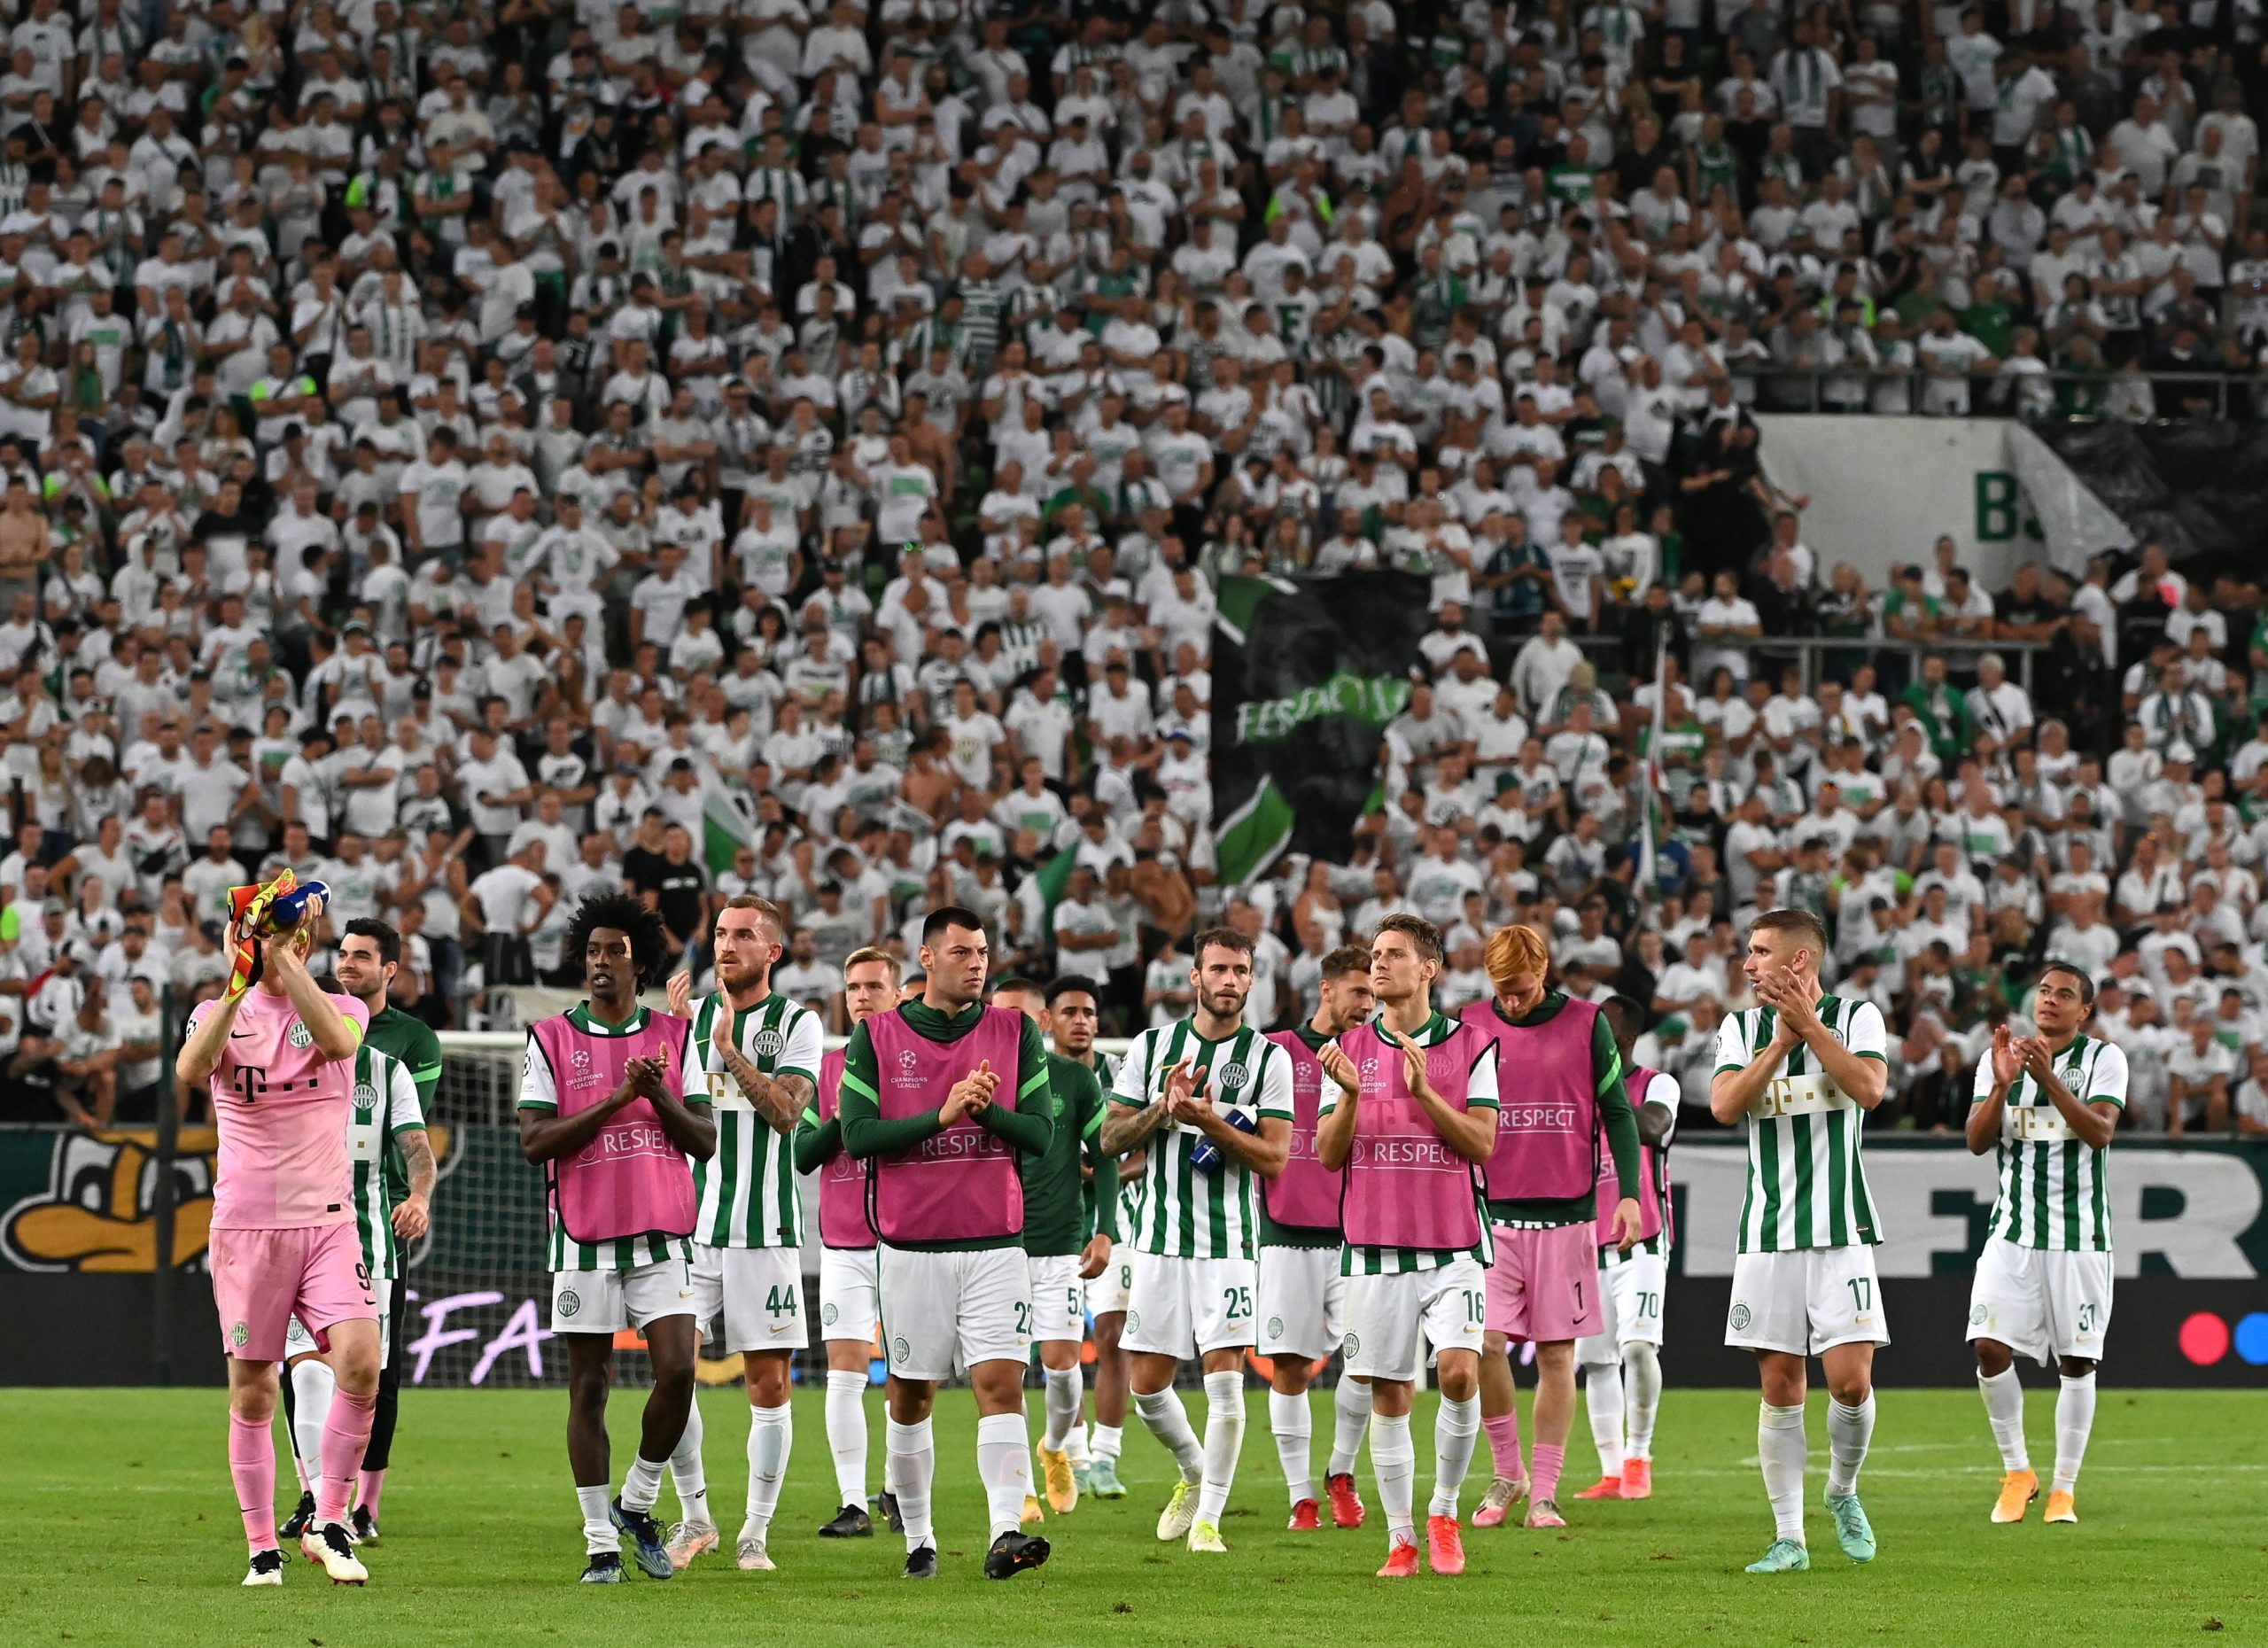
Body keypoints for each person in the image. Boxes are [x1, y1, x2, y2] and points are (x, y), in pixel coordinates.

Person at [837, 905, 1055, 1581]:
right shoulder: (876, 1036)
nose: (977, 964)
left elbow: (1043, 1135)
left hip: (996, 1241)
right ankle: (920, 1539)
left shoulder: (1015, 1030)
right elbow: (856, 1137)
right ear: (926, 959)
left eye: (983, 953)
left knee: (1001, 1384)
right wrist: (943, 1113)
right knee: (911, 1397)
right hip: (912, 1246)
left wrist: (989, 1111)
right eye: (962, 953)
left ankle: (1005, 1532)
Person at [175, 875, 377, 1586]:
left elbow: (337, 1044)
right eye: (278, 933)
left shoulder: (343, 1006)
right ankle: (263, 1546)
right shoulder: (217, 1009)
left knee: (361, 1363)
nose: (293, 942)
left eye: (296, 934)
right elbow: (191, 1067)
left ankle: (330, 1521)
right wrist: (240, 976)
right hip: (247, 1226)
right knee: (255, 1391)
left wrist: (284, 958)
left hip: (327, 1223)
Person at [516, 893, 715, 1583]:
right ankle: (600, 1539)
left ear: (641, 963)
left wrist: (656, 1095)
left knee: (679, 1370)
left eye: (616, 952)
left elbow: (706, 1140)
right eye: (593, 951)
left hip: (663, 1229)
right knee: (590, 1387)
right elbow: (535, 1142)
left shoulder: (676, 1036)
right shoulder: (550, 1038)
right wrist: (614, 1099)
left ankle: (637, 1499)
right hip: (583, 1233)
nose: (601, 962)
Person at [1315, 915, 1500, 1577]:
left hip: (1453, 1245)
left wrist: (1424, 1092)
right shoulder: (1348, 1047)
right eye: (1375, 955)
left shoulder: (1473, 1045)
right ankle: (1401, 1538)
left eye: (1393, 955)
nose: (1378, 966)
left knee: (1457, 1372)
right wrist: (1348, 1097)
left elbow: (1482, 1144)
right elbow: (1328, 1155)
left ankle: (1445, 1511)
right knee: (1387, 1390)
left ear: (1430, 969)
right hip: (1373, 1247)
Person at [1101, 925, 1295, 1554]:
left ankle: (1209, 1519)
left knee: (1226, 1380)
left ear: (1251, 977)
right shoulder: (1153, 1046)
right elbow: (1107, 1140)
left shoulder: (1270, 1059)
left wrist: (1211, 1120)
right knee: (1147, 1388)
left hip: (1231, 1244)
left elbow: (1274, 1159)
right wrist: (1164, 1108)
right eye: (1218, 970)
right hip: (1157, 1240)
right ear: (1195, 977)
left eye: (1241, 971)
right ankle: (1193, 1473)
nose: (1230, 982)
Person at [1709, 907, 1889, 1574]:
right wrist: (1781, 1045)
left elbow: (1870, 1089)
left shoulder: (1857, 1017)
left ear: (1798, 961)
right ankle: (1790, 1537)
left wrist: (1809, 1028)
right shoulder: (1742, 1028)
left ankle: (1842, 1491)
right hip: (1767, 1234)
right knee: (1781, 1385)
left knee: (1848, 1384)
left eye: (1759, 951)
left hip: (1841, 1230)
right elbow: (1726, 1105)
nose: (1748, 964)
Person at [1459, 923, 1643, 1531]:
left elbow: (1617, 1110)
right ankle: (1506, 1472)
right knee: (1486, 1344)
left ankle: (1545, 1491)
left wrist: (1632, 1196)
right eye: (1502, 991)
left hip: (1566, 1215)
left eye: (1521, 988)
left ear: (1545, 970)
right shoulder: (1471, 1022)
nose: (1511, 1001)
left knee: (1559, 1357)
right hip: (1491, 1215)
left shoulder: (1587, 1023)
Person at [663, 895, 825, 1573]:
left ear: (773, 952)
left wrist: (727, 1050)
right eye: (722, 934)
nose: (726, 946)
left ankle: (755, 1531)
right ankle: (696, 1516)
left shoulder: (799, 1023)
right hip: (687, 1229)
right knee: (671, 1376)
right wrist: (675, 1040)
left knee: (769, 1386)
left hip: (765, 1230)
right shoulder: (685, 1020)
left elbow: (788, 1112)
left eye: (744, 936)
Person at [284, 918, 441, 1545]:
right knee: (297, 1372)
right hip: (292, 1238)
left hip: (369, 1243)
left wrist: (422, 1195)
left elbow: (418, 1149)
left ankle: (349, 1503)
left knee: (365, 1373)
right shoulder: (287, 1063)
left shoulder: (392, 1067)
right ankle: (324, 1502)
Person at [1966, 962, 2124, 1526]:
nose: (2050, 1000)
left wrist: (2049, 1077)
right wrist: (2006, 1083)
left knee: (2077, 1362)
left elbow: (2100, 1131)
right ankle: (2017, 1472)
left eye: (2065, 995)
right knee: (1988, 1346)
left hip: (2080, 1238)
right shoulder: (1999, 1057)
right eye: (2044, 991)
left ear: (2084, 1011)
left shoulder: (2104, 1059)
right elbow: (1977, 1142)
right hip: (2012, 1233)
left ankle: (2064, 1488)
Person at [1260, 943, 1379, 1531]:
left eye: (1373, 994)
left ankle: (1340, 1471)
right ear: (1326, 989)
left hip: (1357, 1231)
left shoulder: (1375, 1054)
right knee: (1291, 1365)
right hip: (1286, 1231)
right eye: (1359, 991)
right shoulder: (1275, 1050)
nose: (1368, 1004)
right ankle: (1300, 1494)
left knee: (1366, 1363)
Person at [991, 976, 1117, 1520]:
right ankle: (1019, 1487)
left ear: (1039, 1021)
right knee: (1006, 1373)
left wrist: (1105, 1228)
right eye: (999, 1015)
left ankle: (1054, 1448)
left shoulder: (1073, 1078)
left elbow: (1105, 1153)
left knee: (1064, 1373)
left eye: (1020, 1014)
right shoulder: (979, 1079)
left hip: (1062, 1245)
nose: (1008, 1024)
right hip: (995, 1249)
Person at [795, 946, 904, 1536]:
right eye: (853, 987)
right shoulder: (829, 1070)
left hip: (909, 1242)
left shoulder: (913, 1063)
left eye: (872, 987)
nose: (861, 996)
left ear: (898, 994)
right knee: (845, 1372)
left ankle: (894, 1487)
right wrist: (841, 1119)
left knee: (910, 1374)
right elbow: (804, 1156)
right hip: (843, 1246)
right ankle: (853, 1503)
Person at [1573, 995, 1680, 1502]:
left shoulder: (1656, 1084)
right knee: (1595, 1362)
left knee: (1637, 1348)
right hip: (1587, 1243)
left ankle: (1640, 1455)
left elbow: (1654, 1127)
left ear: (1628, 1041)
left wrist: (1603, 1097)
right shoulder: (1575, 1090)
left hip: (1643, 1241)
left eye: (1606, 1037)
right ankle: (1612, 1468)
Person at [1052, 972, 1135, 1499]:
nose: (1081, 1021)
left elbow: (1142, 1151)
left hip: (1114, 1224)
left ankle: (1106, 1457)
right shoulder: (1036, 1076)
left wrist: (1105, 1171)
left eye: (1088, 1012)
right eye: (1070, 1012)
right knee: (1061, 1349)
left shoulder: (1121, 1076)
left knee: (1112, 1337)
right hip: (1053, 1227)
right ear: (1049, 1021)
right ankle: (1073, 1451)